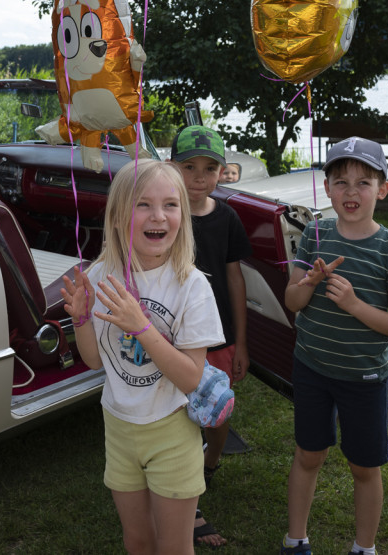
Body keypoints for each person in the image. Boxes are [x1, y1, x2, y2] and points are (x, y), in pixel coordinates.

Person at [60, 159, 224, 554]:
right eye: (143, 205)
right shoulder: (102, 275)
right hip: (118, 427)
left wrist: (142, 328)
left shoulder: (192, 286)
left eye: (170, 205)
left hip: (170, 431)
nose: (159, 216)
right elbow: (96, 362)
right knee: (137, 540)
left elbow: (190, 378)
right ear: (118, 217)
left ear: (183, 216)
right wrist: (82, 319)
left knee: (174, 547)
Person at [280, 137, 388, 555]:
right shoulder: (315, 234)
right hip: (313, 368)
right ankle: (296, 539)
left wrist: (355, 304)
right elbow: (293, 302)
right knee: (308, 455)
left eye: (363, 183)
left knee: (364, 466)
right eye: (341, 182)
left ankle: (364, 547)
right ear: (327, 189)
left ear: (383, 189)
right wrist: (310, 283)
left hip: (364, 377)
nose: (351, 192)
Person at [170, 126, 253, 548]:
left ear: (223, 173)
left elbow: (236, 278)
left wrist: (242, 340)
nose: (199, 178)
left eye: (209, 168)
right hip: (174, 337)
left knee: (217, 410)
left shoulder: (227, 218)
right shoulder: (165, 214)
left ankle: (211, 462)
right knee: (180, 416)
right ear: (172, 168)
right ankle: (192, 505)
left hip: (219, 337)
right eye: (189, 167)